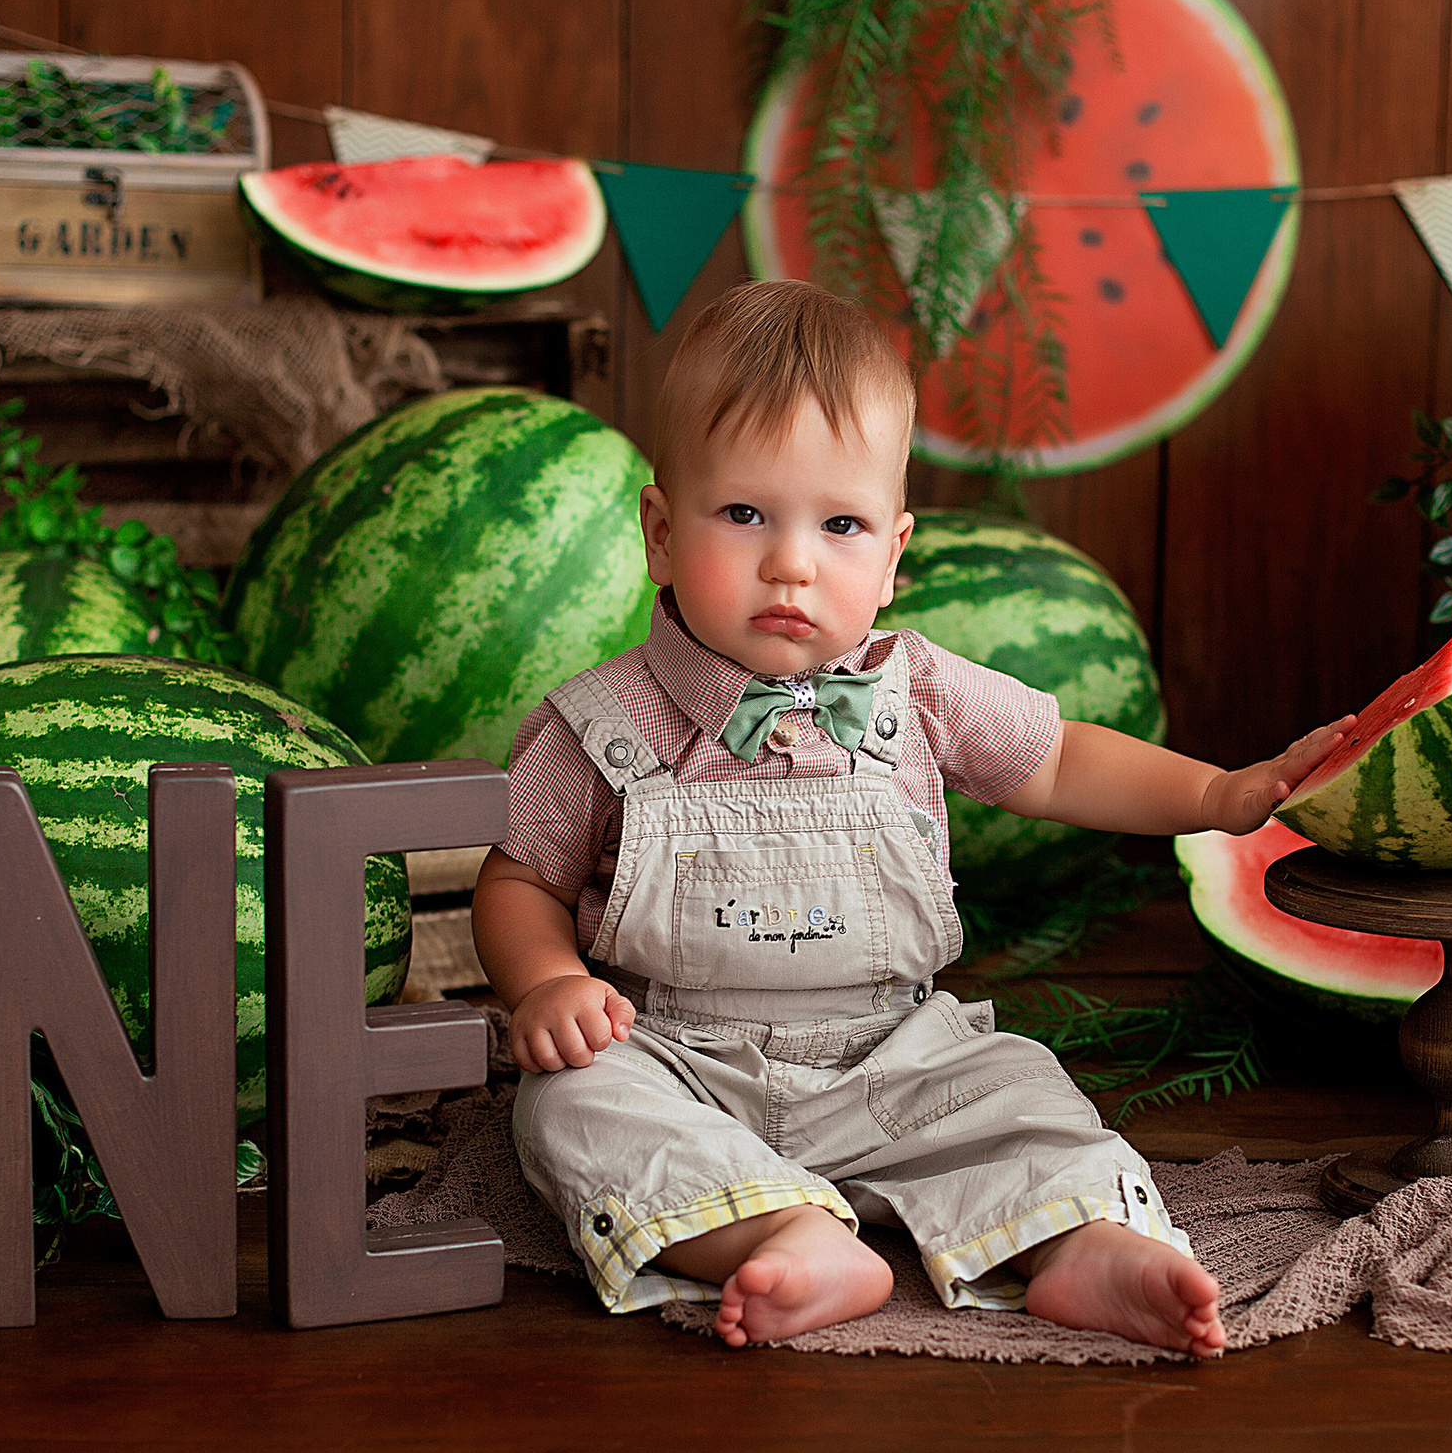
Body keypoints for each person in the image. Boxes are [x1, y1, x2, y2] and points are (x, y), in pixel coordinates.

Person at [472, 279, 1353, 1356]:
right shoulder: (598, 723)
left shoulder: (918, 691)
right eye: (743, 514)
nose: (791, 561)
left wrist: (1217, 795)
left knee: (1020, 1087)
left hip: (894, 1061)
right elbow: (519, 879)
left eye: (838, 525)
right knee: (567, 1107)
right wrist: (548, 982)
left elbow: (1059, 759)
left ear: (891, 558)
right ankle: (783, 1232)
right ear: (661, 529)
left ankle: (1078, 1245)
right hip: (676, 1058)